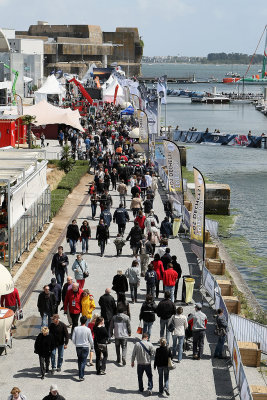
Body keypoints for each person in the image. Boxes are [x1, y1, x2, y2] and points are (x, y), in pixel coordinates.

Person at [72, 315, 94, 381]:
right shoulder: (88, 329)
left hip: (78, 346)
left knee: (79, 359)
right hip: (85, 346)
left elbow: (73, 339)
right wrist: (92, 346)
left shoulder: (76, 328)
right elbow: (90, 339)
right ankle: (81, 375)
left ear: (80, 321)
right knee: (83, 361)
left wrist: (76, 343)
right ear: (86, 321)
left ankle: (80, 372)